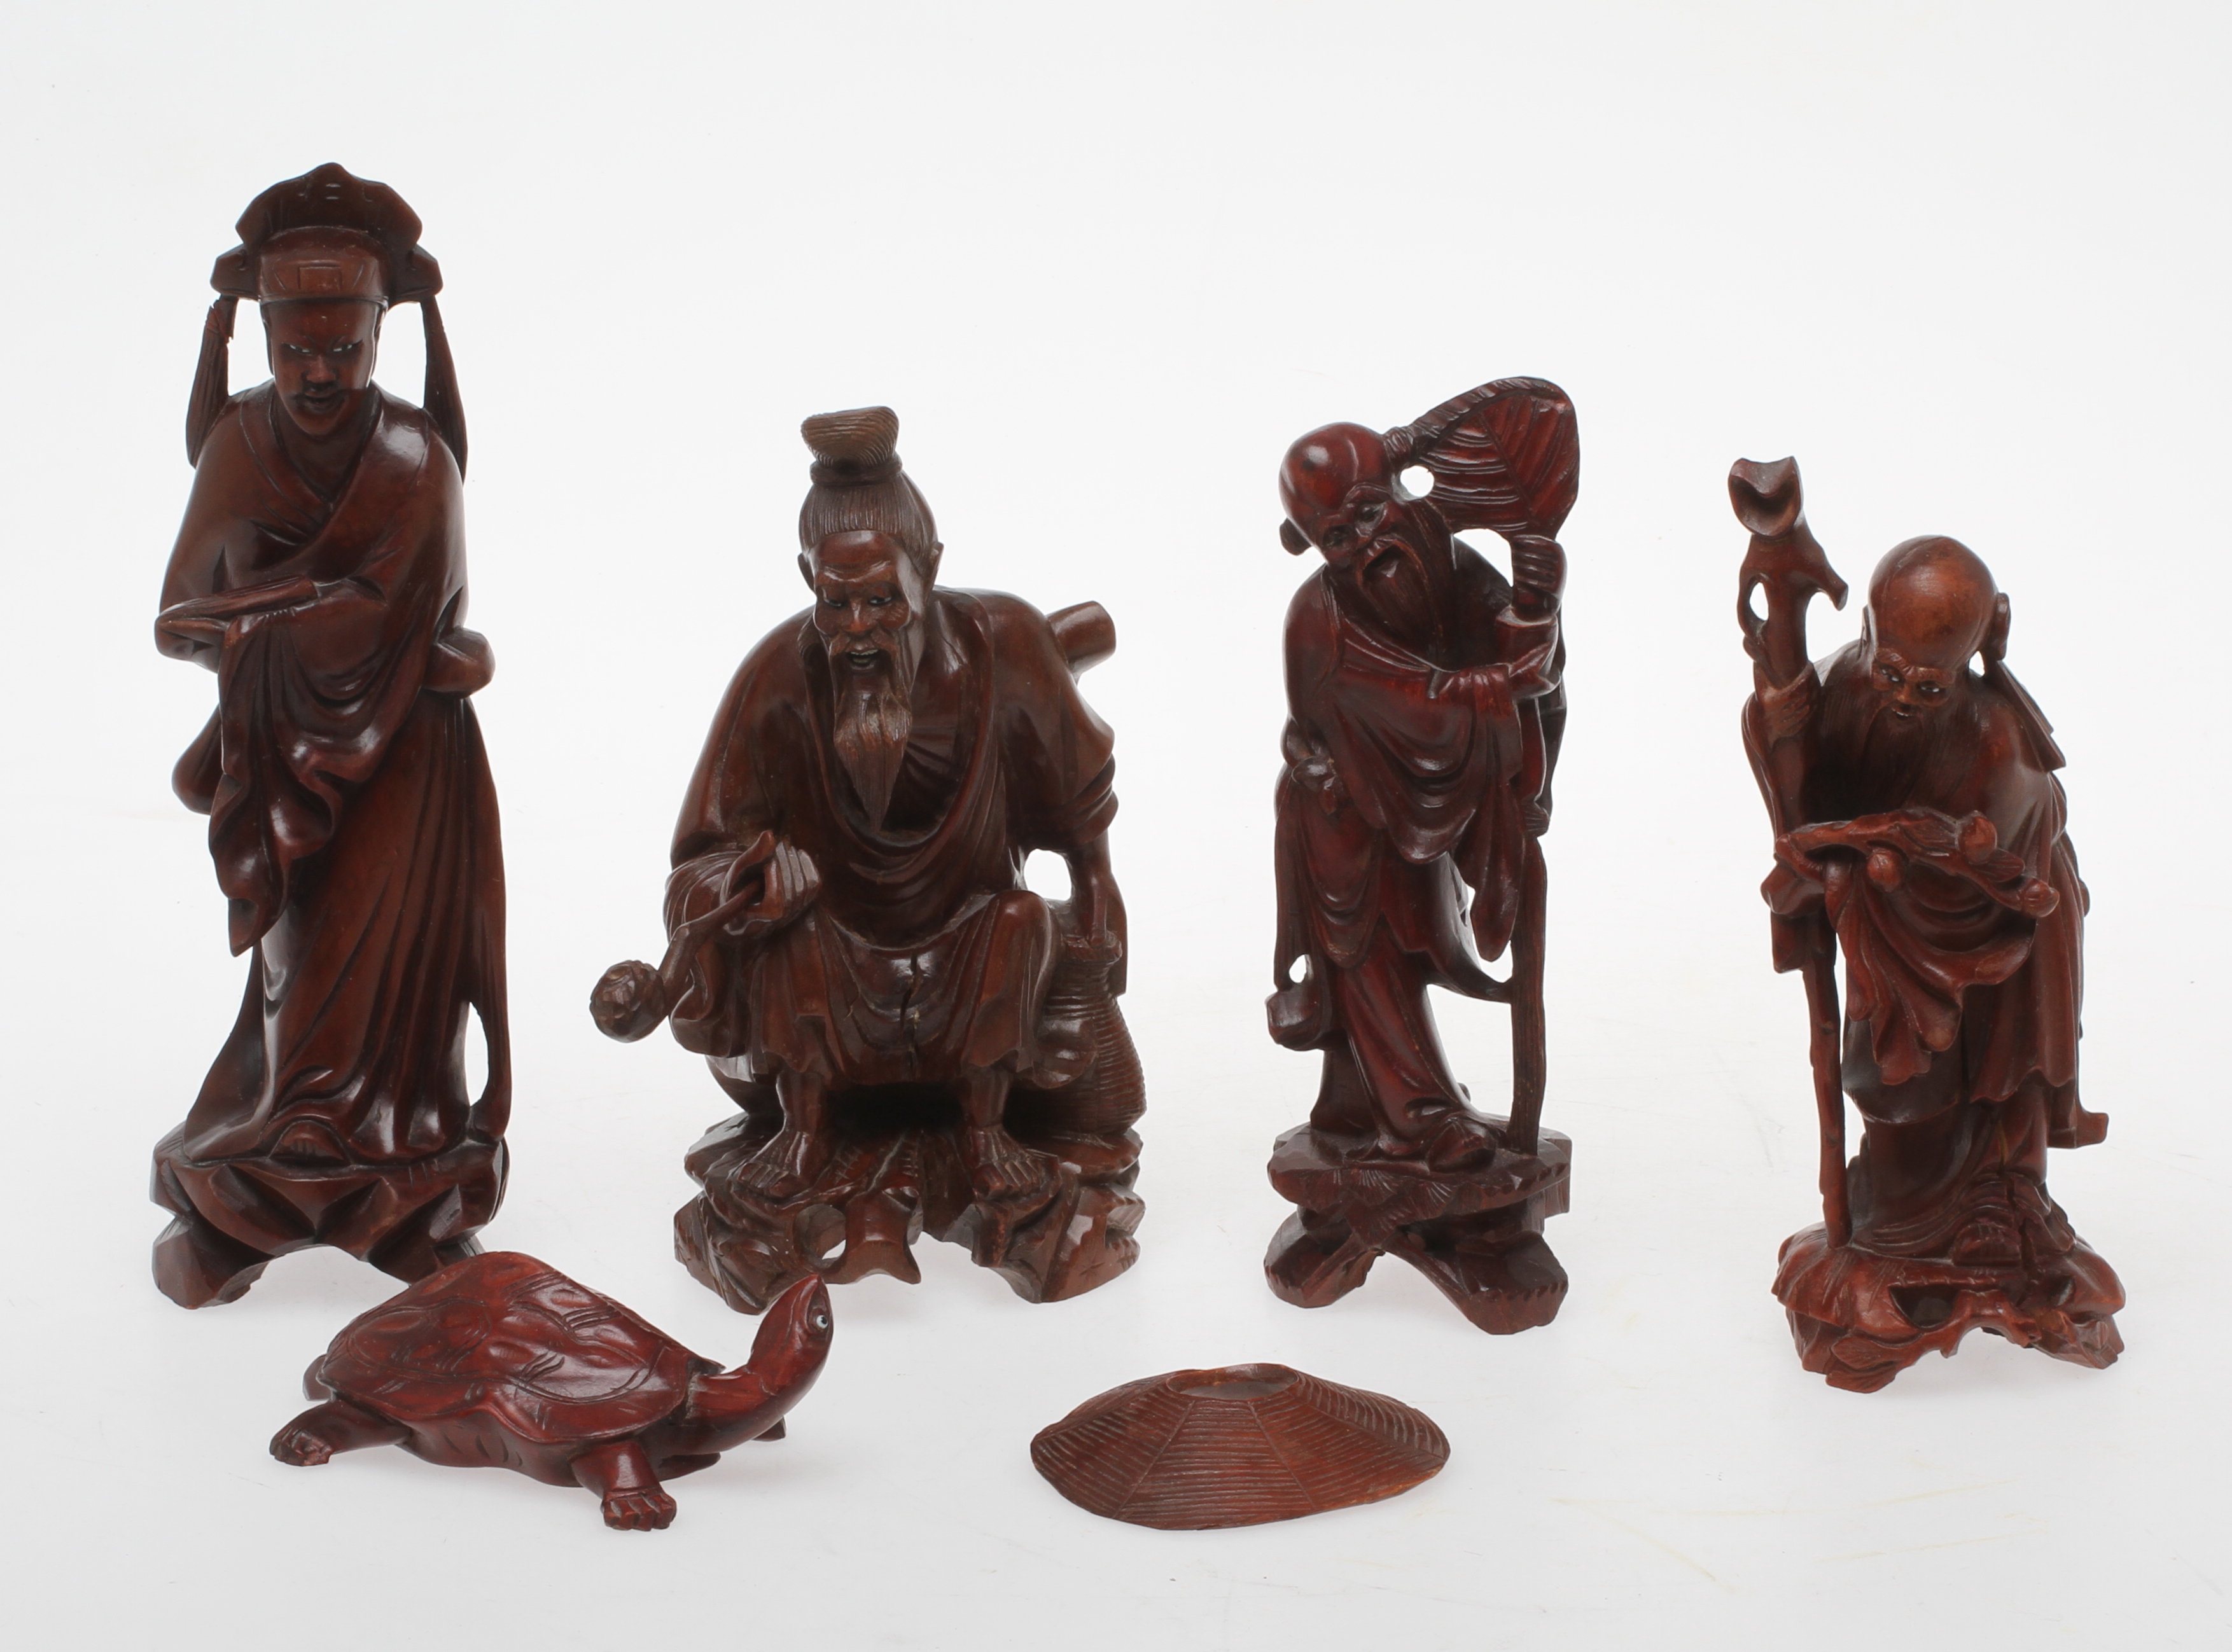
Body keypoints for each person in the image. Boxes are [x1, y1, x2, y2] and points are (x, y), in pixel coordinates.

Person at [150, 165, 507, 1307]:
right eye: (296, 350)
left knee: (397, 987)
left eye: (342, 351)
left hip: (408, 768)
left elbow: (433, 635)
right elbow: (178, 621)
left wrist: (295, 623)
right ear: (262, 337)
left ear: (378, 338)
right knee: (297, 978)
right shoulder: (242, 446)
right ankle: (275, 1163)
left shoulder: (414, 457)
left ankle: (402, 1169)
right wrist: (308, 621)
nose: (317, 374)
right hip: (288, 765)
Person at [655, 406, 1124, 1211]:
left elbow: (1078, 799)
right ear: (807, 579)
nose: (859, 631)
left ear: (928, 568)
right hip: (833, 953)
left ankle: (985, 1129)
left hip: (968, 936)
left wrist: (1098, 894)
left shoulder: (1005, 639)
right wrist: (751, 880)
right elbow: (700, 854)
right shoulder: (775, 676)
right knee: (791, 936)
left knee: (1019, 918)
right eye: (836, 604)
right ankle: (804, 1128)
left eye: (881, 600)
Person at [1750, 534, 2121, 1381]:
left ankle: (2000, 1214)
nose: (1903, 697)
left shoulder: (2002, 749)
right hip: (1893, 915)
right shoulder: (1843, 684)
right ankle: (1897, 1232)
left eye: (1928, 685)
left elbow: (1981, 879)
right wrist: (1783, 725)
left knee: (1990, 1064)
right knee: (1897, 1081)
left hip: (2002, 923)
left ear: (1972, 657)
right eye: (1890, 672)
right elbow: (1803, 775)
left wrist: (1847, 859)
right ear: (1870, 631)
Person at [1266, 420, 1561, 1166]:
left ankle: (1354, 1106)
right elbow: (1397, 707)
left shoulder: (1452, 566)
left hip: (1422, 804)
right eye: (1338, 537)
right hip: (1342, 814)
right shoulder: (1315, 620)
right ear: (1308, 543)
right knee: (1369, 956)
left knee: (1416, 942)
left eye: (1371, 513)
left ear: (1404, 491)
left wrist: (1537, 612)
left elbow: (1532, 667)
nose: (1367, 543)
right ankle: (1420, 1120)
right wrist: (1501, 687)